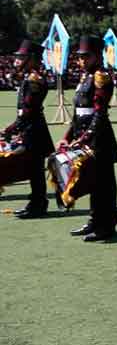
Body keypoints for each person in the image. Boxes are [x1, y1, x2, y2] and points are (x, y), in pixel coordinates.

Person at [63, 34, 117, 242]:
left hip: (99, 137)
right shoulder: (85, 77)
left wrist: (86, 137)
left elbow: (99, 112)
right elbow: (78, 113)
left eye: (86, 56)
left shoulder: (101, 77)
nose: (81, 60)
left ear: (97, 55)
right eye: (79, 56)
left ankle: (106, 225)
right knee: (93, 181)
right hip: (84, 135)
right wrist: (67, 136)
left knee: (104, 182)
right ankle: (95, 220)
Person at [3, 40, 53, 218]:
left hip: (34, 130)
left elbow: (28, 111)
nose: (17, 60)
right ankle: (35, 203)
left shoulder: (35, 80)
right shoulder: (28, 78)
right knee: (33, 169)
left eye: (22, 57)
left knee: (35, 169)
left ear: (32, 59)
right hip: (29, 128)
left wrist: (11, 129)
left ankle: (38, 205)